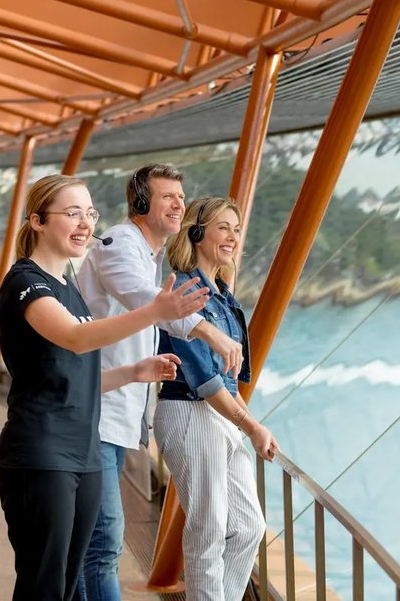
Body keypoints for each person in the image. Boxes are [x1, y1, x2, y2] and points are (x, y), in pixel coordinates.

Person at [0, 174, 208, 601]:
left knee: (72, 584)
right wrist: (154, 311)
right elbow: (75, 339)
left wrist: (132, 372)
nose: (85, 223)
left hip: (85, 453)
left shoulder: (69, 286)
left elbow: (74, 374)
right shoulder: (25, 282)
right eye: (72, 213)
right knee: (45, 585)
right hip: (41, 453)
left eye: (90, 213)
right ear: (37, 221)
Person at [77, 164, 244, 601]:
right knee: (103, 545)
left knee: (95, 544)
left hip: (117, 413)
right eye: (167, 196)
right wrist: (209, 330)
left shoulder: (147, 257)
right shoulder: (118, 244)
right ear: (142, 203)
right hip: (98, 413)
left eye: (179, 197)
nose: (177, 204)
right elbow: (147, 302)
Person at [153, 197, 278, 601]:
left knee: (248, 527)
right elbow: (205, 381)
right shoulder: (185, 291)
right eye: (223, 227)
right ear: (196, 232)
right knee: (209, 528)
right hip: (189, 412)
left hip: (221, 418)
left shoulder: (224, 296)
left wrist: (246, 422)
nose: (232, 237)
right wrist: (252, 426)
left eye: (237, 229)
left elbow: (230, 381)